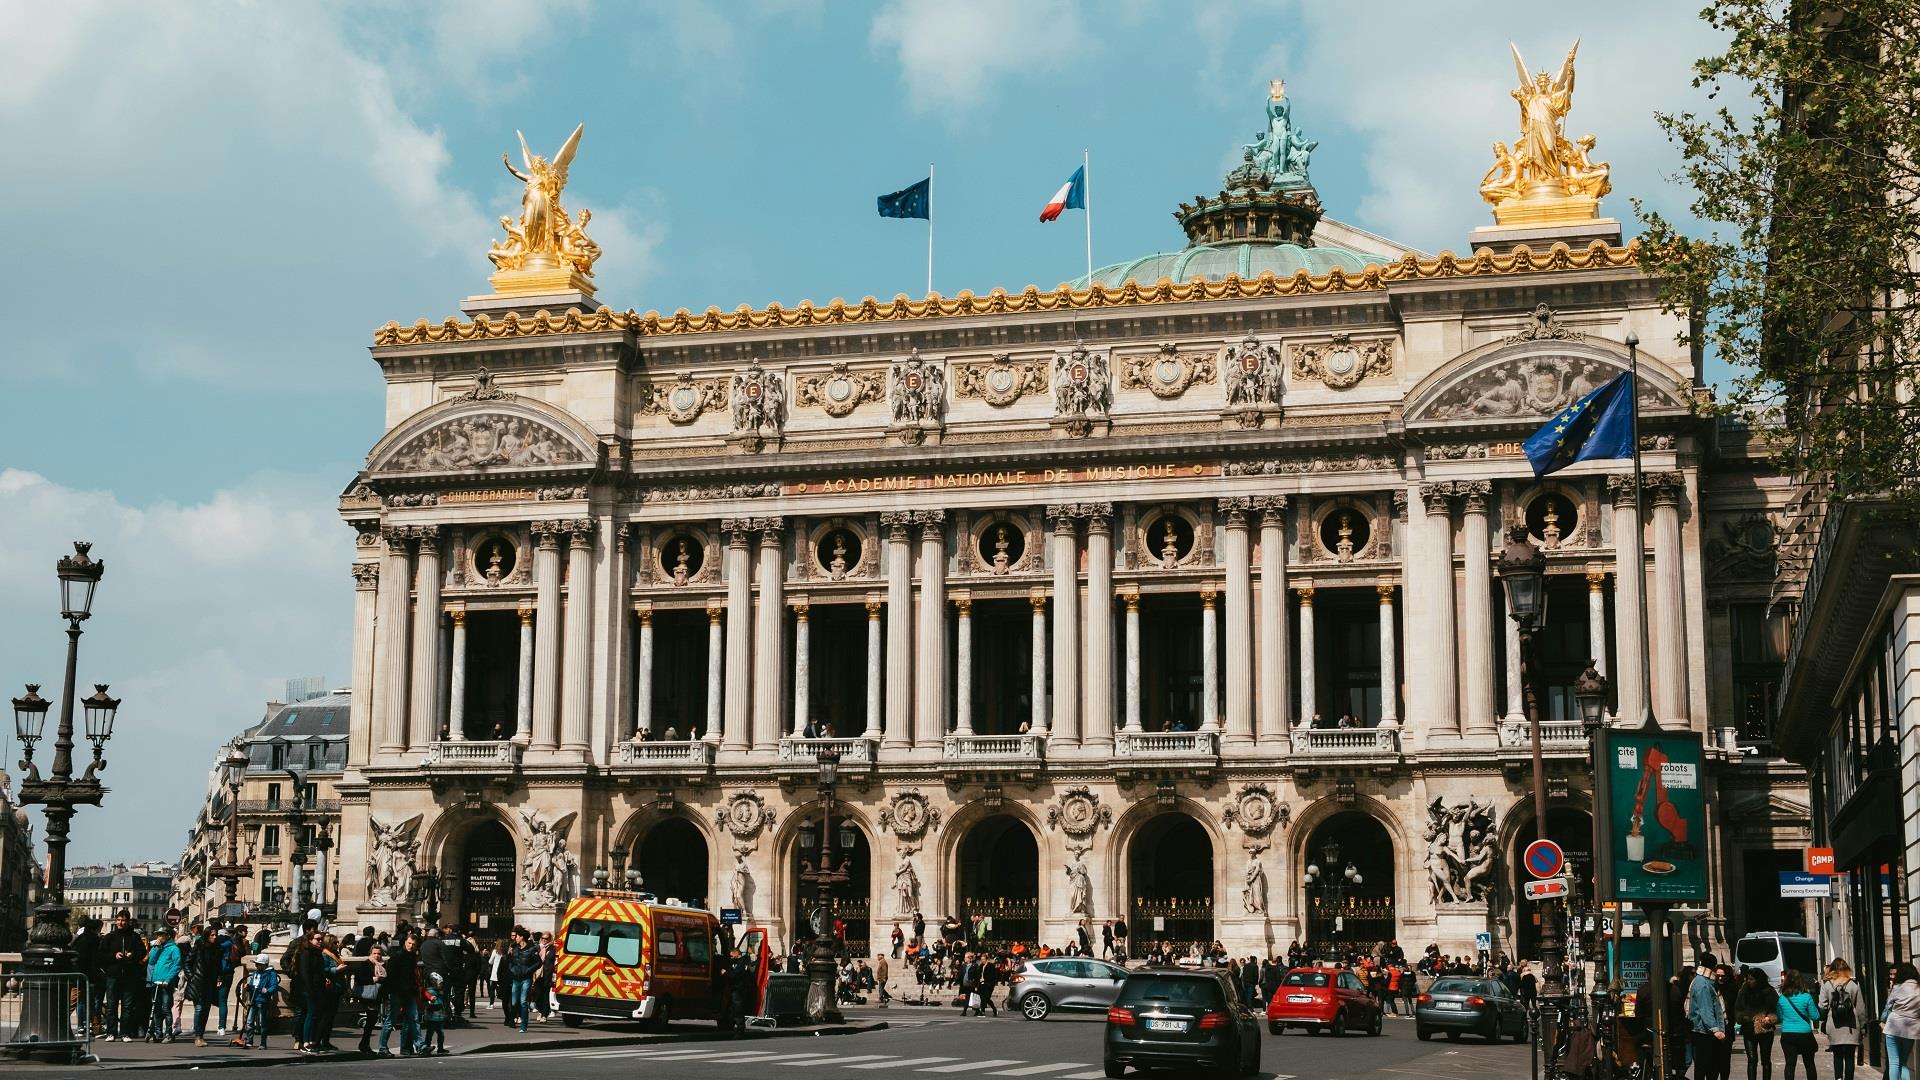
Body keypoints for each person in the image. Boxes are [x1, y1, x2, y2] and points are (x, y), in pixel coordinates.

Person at [102, 909, 146, 1042]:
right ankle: (111, 1032)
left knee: (127, 1006)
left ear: (128, 921)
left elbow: (142, 952)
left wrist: (132, 955)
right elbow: (101, 954)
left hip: (129, 974)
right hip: (113, 974)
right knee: (111, 1005)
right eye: (119, 920)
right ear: (116, 921)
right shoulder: (109, 937)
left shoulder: (134, 937)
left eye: (123, 920)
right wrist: (113, 956)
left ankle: (125, 1032)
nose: (120, 922)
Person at [1688, 951, 1731, 1080]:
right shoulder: (1704, 984)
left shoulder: (1701, 981)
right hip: (1704, 1032)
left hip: (1703, 1031)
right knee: (1707, 1067)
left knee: (1705, 1066)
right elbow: (1705, 1009)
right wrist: (1716, 1030)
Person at [1820, 959, 1865, 1080]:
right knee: (1850, 1056)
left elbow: (1822, 1005)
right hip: (1851, 1025)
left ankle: (1838, 1078)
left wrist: (1823, 1020)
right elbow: (1860, 1008)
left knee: (1837, 1055)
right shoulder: (1854, 984)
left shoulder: (1827, 984)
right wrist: (1863, 1025)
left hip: (1834, 1024)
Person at [380, 931, 422, 1056]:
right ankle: (382, 1048)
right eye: (409, 943)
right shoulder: (398, 956)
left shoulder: (412, 957)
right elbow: (391, 976)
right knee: (390, 1021)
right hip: (397, 992)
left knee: (413, 1019)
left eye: (413, 944)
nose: (411, 946)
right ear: (405, 942)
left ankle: (420, 1045)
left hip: (408, 992)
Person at [1734, 967, 1779, 1080]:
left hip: (1765, 1029)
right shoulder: (1743, 991)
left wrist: (1770, 1018)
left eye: (1752, 979)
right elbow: (1738, 1009)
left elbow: (1777, 1010)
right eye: (1747, 979)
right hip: (1748, 1029)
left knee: (1766, 1060)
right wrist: (1742, 1017)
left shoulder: (1769, 992)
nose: (1749, 981)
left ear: (1759, 979)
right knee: (1752, 1060)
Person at [1775, 969, 1822, 1080]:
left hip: (1788, 1034)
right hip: (1805, 1034)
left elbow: (1780, 1017)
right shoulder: (1807, 997)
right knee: (1809, 1064)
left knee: (1790, 1065)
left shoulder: (1782, 999)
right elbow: (1815, 1016)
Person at [145, 927, 183, 1042]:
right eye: (158, 935)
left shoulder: (174, 949)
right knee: (156, 1008)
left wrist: (168, 979)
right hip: (155, 981)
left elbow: (177, 965)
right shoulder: (159, 948)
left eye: (162, 935)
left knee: (166, 1008)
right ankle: (158, 1032)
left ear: (167, 936)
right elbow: (151, 961)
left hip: (166, 983)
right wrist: (156, 947)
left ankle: (168, 1033)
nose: (159, 937)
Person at [1885, 962, 1920, 1080]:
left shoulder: (1898, 987)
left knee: (1894, 1062)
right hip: (1911, 1028)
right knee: (1904, 1062)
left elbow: (1889, 1004)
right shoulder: (1919, 989)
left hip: (1893, 1026)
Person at [240, 955, 279, 1049]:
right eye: (256, 964)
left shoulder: (271, 973)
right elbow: (253, 983)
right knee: (249, 1021)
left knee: (262, 1023)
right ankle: (249, 1041)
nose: (256, 966)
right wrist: (249, 986)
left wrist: (268, 991)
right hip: (253, 999)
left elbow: (274, 986)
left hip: (263, 1000)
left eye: (258, 964)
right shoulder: (256, 973)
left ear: (264, 964)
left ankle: (263, 1043)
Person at [504, 929, 539, 1033]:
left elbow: (538, 963)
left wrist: (528, 971)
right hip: (516, 979)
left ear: (522, 937)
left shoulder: (532, 949)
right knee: (514, 1002)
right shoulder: (515, 949)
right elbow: (509, 962)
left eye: (517, 936)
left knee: (523, 1002)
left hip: (526, 979)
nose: (515, 938)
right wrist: (512, 969)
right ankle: (513, 1019)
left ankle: (524, 1025)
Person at [421, 972, 450, 1055]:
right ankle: (428, 1046)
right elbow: (431, 1004)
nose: (441, 985)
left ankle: (440, 1048)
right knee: (430, 1033)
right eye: (440, 983)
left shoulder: (439, 992)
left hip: (438, 1016)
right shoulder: (430, 992)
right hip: (432, 1016)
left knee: (440, 1033)